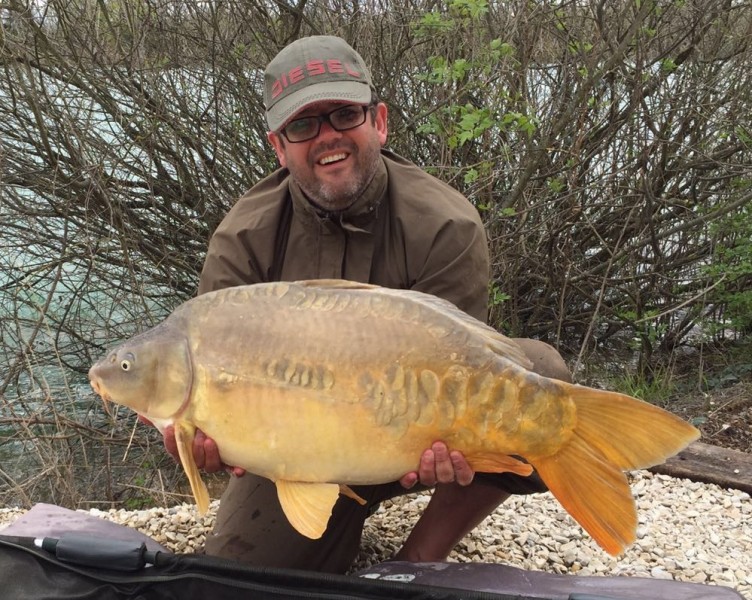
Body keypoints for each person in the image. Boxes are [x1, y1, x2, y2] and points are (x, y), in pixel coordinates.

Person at [157, 35, 571, 574]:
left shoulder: (446, 223)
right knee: (247, 578)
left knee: (538, 377)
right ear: (279, 147)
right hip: (296, 449)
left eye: (343, 114)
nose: (327, 136)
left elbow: (462, 367)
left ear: (378, 121)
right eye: (303, 126)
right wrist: (205, 442)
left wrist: (444, 449)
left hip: (405, 433)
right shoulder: (243, 239)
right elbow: (214, 389)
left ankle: (423, 553)